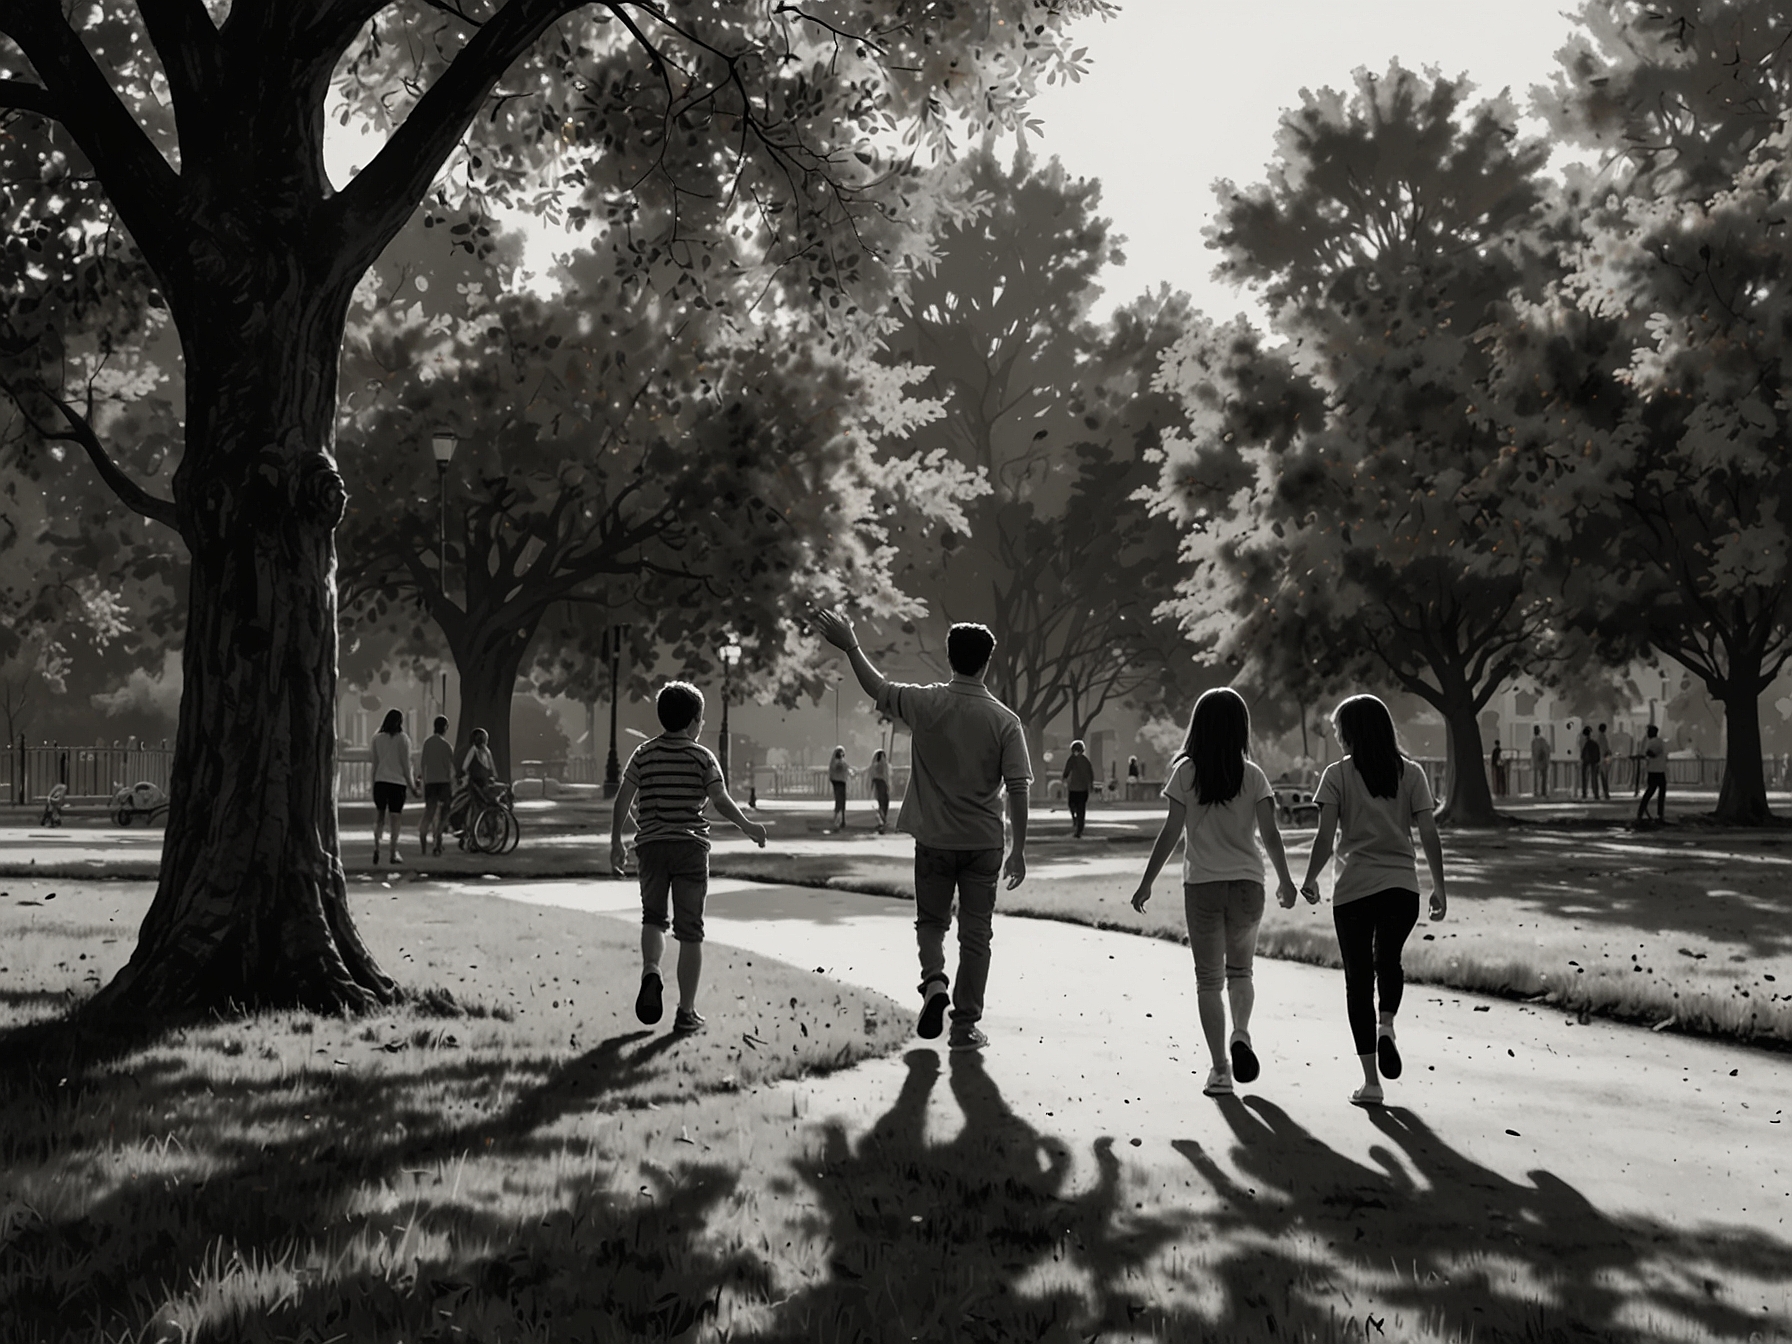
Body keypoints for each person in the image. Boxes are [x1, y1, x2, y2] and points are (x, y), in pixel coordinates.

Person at [813, 607, 1030, 1053]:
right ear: (986, 663)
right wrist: (1020, 848)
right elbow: (1019, 788)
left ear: (950, 658)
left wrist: (851, 644)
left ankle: (934, 983)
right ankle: (965, 1025)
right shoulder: (1005, 721)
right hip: (984, 841)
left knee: (931, 922)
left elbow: (877, 687)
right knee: (976, 933)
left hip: (932, 838)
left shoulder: (925, 702)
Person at [1130, 689, 1301, 1097]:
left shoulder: (1186, 773)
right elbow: (1271, 836)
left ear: (1198, 727)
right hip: (1248, 885)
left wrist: (1147, 881)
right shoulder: (1254, 775)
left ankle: (1220, 1070)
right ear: (1241, 728)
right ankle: (1241, 1033)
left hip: (1203, 886)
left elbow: (1171, 833)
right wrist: (1286, 879)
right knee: (1241, 972)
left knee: (1208, 981)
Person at [1298, 694, 1448, 1108]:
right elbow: (1428, 835)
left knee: (1359, 980)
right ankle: (1387, 1026)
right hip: (1402, 887)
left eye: (1338, 730)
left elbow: (1325, 839)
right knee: (1390, 962)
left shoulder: (1337, 775)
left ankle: (1371, 1083)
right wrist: (1439, 886)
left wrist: (1309, 879)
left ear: (1349, 732)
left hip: (1354, 890)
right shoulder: (1412, 773)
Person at [610, 681, 767, 1034]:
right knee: (690, 931)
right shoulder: (702, 757)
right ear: (695, 721)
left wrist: (615, 843)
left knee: (653, 918)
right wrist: (748, 826)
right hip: (690, 849)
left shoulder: (643, 754)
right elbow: (721, 801)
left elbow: (622, 800)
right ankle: (686, 1012)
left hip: (650, 847)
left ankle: (651, 969)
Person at [369, 709, 416, 865]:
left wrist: (372, 783)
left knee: (380, 815)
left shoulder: (377, 739)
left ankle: (376, 847)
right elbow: (405, 765)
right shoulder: (403, 740)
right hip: (397, 783)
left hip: (380, 781)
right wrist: (412, 786)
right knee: (395, 817)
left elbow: (374, 764)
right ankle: (393, 851)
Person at [417, 715, 455, 856]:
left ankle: (423, 840)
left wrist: (423, 779)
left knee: (429, 812)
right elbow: (452, 766)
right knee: (445, 812)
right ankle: (438, 838)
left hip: (430, 783)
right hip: (444, 783)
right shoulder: (446, 746)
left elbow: (423, 763)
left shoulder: (427, 743)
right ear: (445, 728)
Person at [1062, 739, 1097, 838]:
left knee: (1073, 805)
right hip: (1081, 788)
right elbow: (1090, 774)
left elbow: (1067, 770)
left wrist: (1064, 777)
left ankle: (1077, 822)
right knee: (1080, 808)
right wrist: (1090, 785)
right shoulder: (1085, 761)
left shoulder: (1073, 759)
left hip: (1075, 788)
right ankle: (1079, 826)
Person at [1636, 723, 1668, 825]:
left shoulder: (1654, 742)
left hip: (1654, 771)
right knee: (1660, 793)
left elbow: (1652, 753)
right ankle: (1659, 814)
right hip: (1659, 770)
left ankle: (1641, 813)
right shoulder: (1657, 742)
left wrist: (1645, 754)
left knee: (1650, 792)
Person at [827, 745, 852, 831]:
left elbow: (846, 769)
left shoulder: (841, 762)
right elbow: (834, 769)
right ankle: (837, 819)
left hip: (841, 781)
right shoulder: (835, 762)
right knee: (839, 800)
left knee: (842, 800)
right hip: (838, 782)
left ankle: (842, 819)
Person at [869, 749, 893, 833]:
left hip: (880, 783)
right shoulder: (881, 765)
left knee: (883, 802)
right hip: (881, 783)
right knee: (883, 802)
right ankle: (882, 819)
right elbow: (885, 776)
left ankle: (882, 819)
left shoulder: (876, 766)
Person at [1578, 725, 1601, 800]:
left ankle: (1584, 793)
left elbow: (1582, 753)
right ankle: (1596, 794)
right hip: (1593, 762)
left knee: (1584, 779)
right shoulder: (1594, 743)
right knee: (1594, 779)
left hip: (1585, 762)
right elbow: (1597, 754)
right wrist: (1597, 761)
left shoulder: (1582, 742)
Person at [1528, 725, 1551, 799]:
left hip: (1536, 762)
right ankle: (1543, 792)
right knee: (1544, 778)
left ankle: (1536, 791)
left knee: (1537, 778)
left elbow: (1533, 753)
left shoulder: (1533, 742)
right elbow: (1547, 750)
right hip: (1543, 762)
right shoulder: (1542, 740)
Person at [1596, 723, 1613, 800]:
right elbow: (1605, 749)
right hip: (1604, 759)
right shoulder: (1603, 738)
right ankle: (1606, 792)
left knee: (1603, 776)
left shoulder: (1599, 737)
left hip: (1601, 759)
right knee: (1604, 776)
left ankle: (1604, 792)